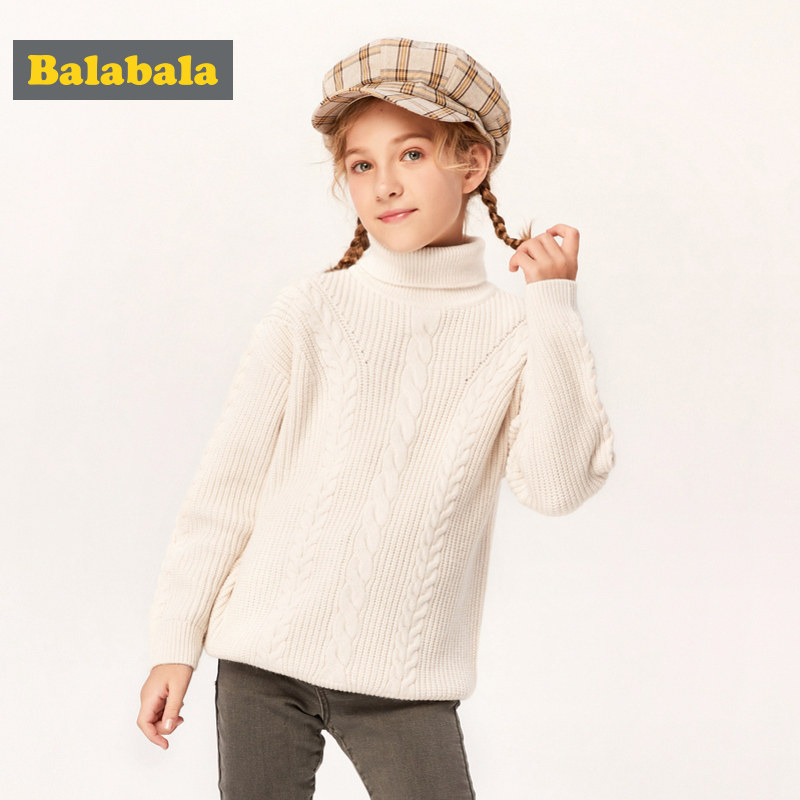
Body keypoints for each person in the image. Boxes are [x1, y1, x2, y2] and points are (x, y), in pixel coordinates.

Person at [137, 36, 615, 800]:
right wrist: (175, 643)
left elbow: (556, 487)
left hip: (407, 683)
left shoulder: (513, 332)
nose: (385, 184)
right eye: (361, 165)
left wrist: (552, 307)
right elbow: (226, 491)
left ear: (473, 162)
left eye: (412, 154)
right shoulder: (312, 310)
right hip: (261, 663)